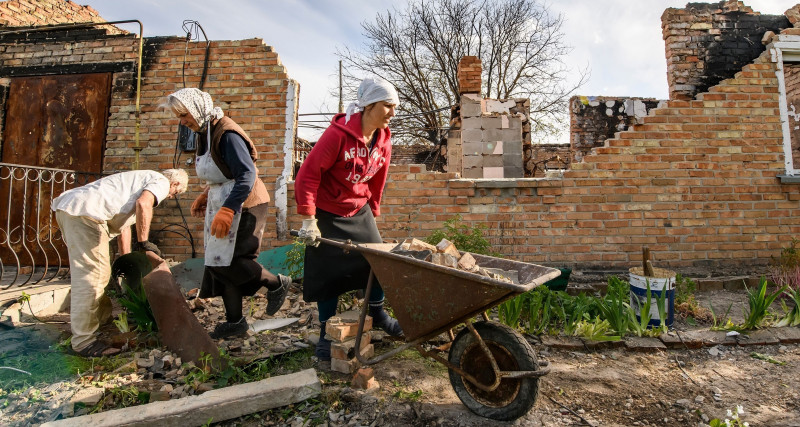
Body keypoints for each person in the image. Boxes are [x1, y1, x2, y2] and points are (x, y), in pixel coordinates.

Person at [166, 88, 291, 340]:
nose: (182, 121)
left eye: (184, 114)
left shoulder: (227, 133)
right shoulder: (205, 131)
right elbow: (222, 170)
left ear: (198, 108)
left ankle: (276, 283)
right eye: (179, 116)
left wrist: (228, 208)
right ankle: (235, 322)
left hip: (245, 204)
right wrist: (205, 193)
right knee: (217, 262)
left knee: (231, 261)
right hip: (222, 201)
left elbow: (246, 174)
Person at [294, 76, 404, 362]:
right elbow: (307, 175)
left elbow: (379, 177)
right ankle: (325, 332)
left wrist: (374, 210)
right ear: (368, 106)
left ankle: (377, 311)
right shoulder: (337, 135)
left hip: (359, 210)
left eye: (395, 107)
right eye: (388, 106)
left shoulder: (384, 138)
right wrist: (309, 218)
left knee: (380, 260)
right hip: (328, 211)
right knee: (328, 274)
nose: (393, 112)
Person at [53, 168, 189, 357]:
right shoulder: (161, 181)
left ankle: (101, 322)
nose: (170, 196)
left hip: (73, 209)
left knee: (99, 274)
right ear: (174, 184)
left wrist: (126, 257)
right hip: (87, 215)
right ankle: (84, 342)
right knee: (91, 277)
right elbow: (144, 204)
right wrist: (144, 243)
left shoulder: (137, 182)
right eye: (174, 193)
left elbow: (124, 227)